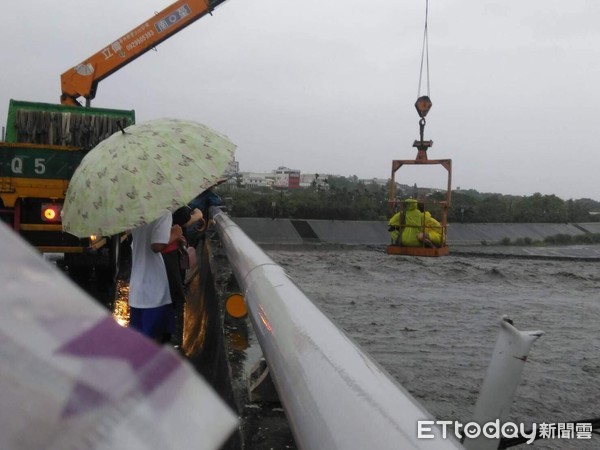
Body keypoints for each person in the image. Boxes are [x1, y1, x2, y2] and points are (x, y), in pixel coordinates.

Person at [128, 212, 183, 342]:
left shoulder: (136, 211)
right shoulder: (163, 211)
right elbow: (156, 245)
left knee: (139, 342)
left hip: (137, 289)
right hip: (155, 292)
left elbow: (144, 239)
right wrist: (176, 233)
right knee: (156, 343)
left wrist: (172, 237)